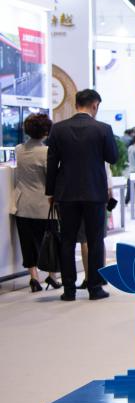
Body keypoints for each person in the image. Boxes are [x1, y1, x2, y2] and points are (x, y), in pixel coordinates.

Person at [46, 89, 118, 301]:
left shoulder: (58, 129)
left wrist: (51, 192)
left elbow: (52, 163)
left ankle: (69, 290)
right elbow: (113, 158)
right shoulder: (103, 129)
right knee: (95, 240)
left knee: (67, 240)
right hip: (94, 192)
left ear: (76, 104)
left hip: (66, 192)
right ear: (95, 105)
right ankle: (95, 288)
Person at [13, 113, 60, 293]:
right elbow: (51, 180)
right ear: (46, 132)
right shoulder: (46, 152)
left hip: (22, 205)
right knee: (50, 241)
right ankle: (52, 276)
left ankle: (34, 278)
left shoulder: (18, 149)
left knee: (27, 243)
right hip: (44, 206)